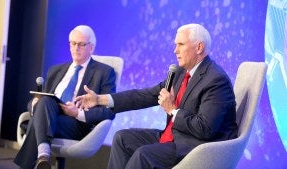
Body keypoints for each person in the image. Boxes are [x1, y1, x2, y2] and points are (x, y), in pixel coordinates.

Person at [75, 23, 238, 169]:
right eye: (175, 45)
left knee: (143, 155)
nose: (175, 50)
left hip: (196, 146)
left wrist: (173, 110)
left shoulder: (216, 80)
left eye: (180, 45)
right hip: (175, 136)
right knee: (122, 138)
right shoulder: (181, 72)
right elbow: (145, 95)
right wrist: (100, 99)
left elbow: (205, 129)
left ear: (199, 47)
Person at [14, 25, 116, 169]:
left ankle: (41, 156)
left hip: (76, 123)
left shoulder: (104, 72)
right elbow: (43, 100)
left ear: (91, 48)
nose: (76, 48)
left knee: (36, 123)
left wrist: (78, 112)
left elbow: (109, 111)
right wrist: (35, 104)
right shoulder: (55, 70)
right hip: (50, 116)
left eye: (81, 44)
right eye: (73, 43)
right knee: (45, 101)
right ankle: (43, 157)